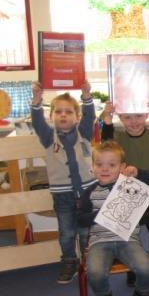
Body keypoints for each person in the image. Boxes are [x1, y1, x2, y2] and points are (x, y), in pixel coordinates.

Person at [77, 141, 149, 296]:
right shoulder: (90, 192)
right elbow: (79, 219)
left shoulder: (130, 185)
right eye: (99, 164)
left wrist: (137, 172)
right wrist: (100, 214)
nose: (104, 169)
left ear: (122, 167)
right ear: (93, 167)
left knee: (146, 268)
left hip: (128, 240)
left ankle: (141, 294)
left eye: (111, 165)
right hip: (100, 242)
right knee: (94, 273)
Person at [101, 97, 149, 284]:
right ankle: (133, 267)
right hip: (128, 196)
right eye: (127, 117)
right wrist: (108, 118)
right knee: (129, 233)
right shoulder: (119, 140)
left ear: (146, 114)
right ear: (120, 118)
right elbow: (106, 146)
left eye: (138, 116)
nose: (133, 121)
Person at [31, 81, 96, 284]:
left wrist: (86, 96)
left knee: (86, 231)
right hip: (62, 195)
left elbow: (90, 117)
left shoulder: (83, 133)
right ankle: (70, 262)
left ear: (76, 117)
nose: (63, 115)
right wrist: (37, 100)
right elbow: (37, 122)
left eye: (68, 112)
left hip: (86, 192)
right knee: (67, 232)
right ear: (52, 116)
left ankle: (90, 260)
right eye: (58, 111)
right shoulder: (48, 137)